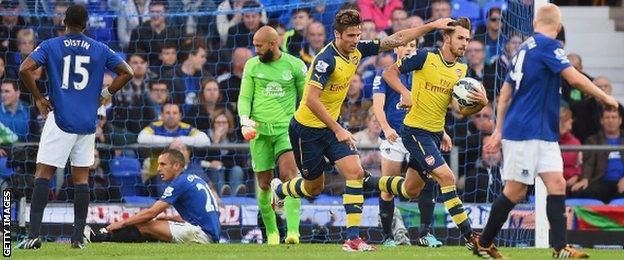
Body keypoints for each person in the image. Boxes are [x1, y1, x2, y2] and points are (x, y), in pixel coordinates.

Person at [271, 9, 456, 251]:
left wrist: (433, 25)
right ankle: (280, 189)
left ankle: (353, 239)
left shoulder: (358, 50)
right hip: (306, 129)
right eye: (350, 35)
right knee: (312, 188)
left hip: (331, 127)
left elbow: (396, 39)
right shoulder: (326, 59)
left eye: (358, 34)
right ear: (337, 34)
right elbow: (311, 101)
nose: (355, 40)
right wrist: (338, 129)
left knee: (355, 173)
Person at [477, 4, 618, 258]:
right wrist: (603, 96)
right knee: (515, 191)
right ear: (560, 27)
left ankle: (559, 247)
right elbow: (574, 78)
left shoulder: (524, 48)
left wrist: (498, 130)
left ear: (534, 24)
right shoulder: (548, 45)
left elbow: (506, 92)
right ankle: (484, 242)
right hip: (525, 132)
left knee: (556, 183)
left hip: (542, 132)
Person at [16, 4, 133, 249]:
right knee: (82, 179)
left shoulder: (51, 45)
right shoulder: (100, 48)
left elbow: (25, 68)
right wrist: (107, 92)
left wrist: (38, 97)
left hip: (60, 118)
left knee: (43, 173)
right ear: (86, 25)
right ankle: (78, 238)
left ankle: (33, 235)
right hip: (87, 121)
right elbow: (127, 71)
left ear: (64, 22)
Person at [376, 17, 484, 251]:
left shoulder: (462, 69)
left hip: (434, 133)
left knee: (409, 190)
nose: (464, 43)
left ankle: (372, 181)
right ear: (446, 38)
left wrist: (480, 104)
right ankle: (471, 237)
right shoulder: (426, 56)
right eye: (460, 38)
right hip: (415, 131)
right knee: (446, 177)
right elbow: (388, 73)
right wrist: (405, 92)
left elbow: (458, 110)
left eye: (467, 39)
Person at [371, 39, 443, 247]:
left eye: (413, 46)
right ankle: (387, 237)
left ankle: (425, 234)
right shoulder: (385, 73)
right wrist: (386, 128)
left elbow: (432, 107)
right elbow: (378, 106)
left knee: (429, 179)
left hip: (418, 134)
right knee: (388, 185)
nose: (409, 49)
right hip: (393, 136)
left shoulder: (422, 74)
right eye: (405, 45)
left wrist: (443, 133)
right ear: (396, 49)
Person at [237, 26, 306, 245]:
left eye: (259, 46)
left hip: (285, 129)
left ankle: (293, 232)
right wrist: (244, 121)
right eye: (254, 45)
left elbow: (306, 99)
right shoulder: (251, 65)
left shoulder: (295, 65)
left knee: (290, 176)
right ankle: (273, 233)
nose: (255, 49)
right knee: (265, 184)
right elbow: (245, 97)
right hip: (258, 132)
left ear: (273, 44)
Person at [85, 149, 221, 244]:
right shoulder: (194, 179)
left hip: (202, 236)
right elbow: (203, 214)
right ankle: (110, 238)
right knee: (155, 225)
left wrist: (120, 223)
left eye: (163, 164)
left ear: (176, 166)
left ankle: (100, 238)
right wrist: (172, 218)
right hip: (208, 234)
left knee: (148, 225)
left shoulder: (179, 182)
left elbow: (151, 212)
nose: (158, 169)